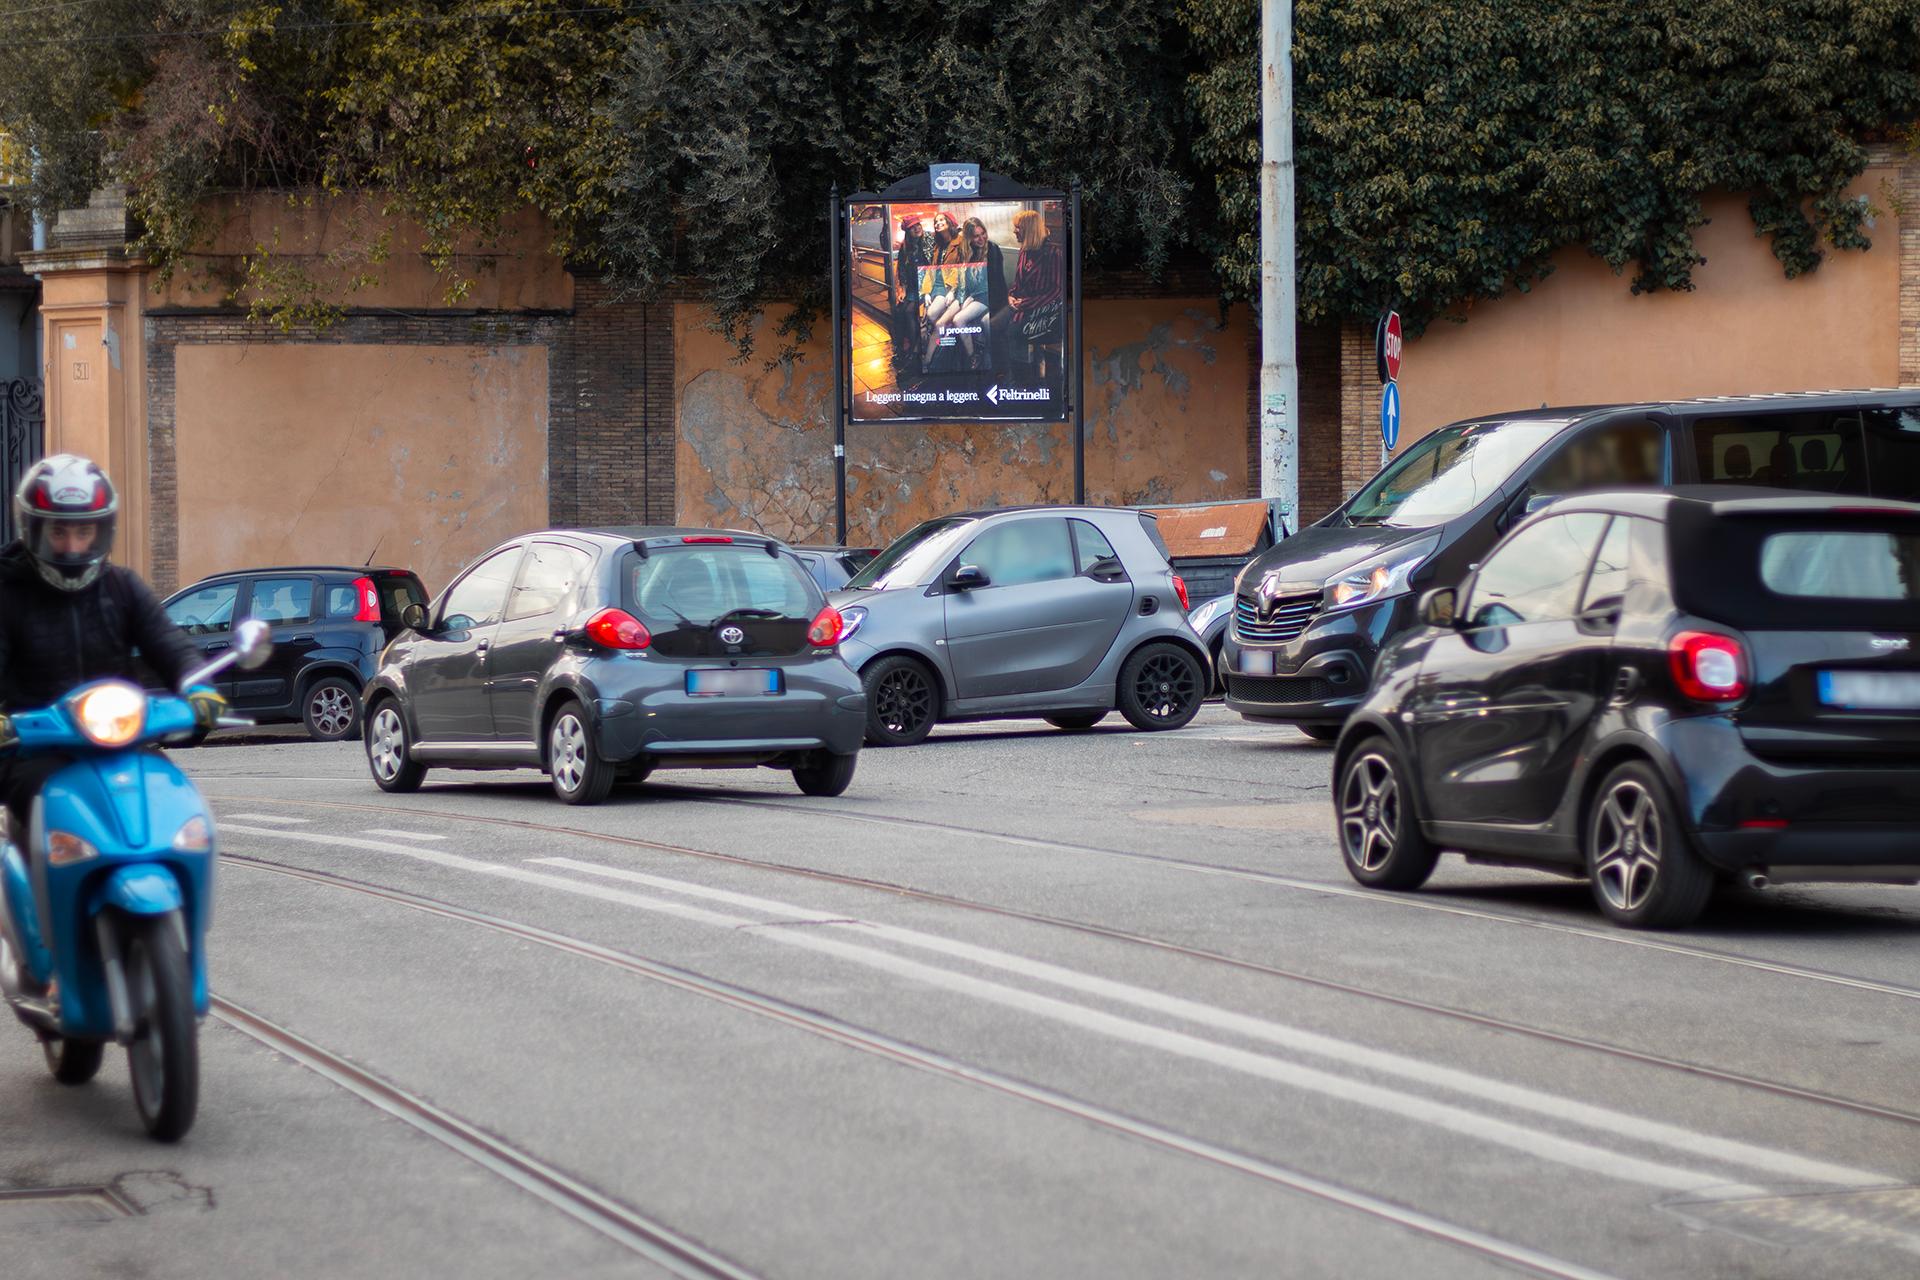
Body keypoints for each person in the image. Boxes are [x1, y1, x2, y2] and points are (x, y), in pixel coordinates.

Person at [0, 455, 225, 854]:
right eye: (58, 533)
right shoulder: (7, 592)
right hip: (34, 748)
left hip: (122, 739)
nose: (72, 546)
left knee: (174, 805)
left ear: (102, 531)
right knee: (43, 809)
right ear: (32, 530)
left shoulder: (121, 586)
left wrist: (197, 687)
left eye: (83, 532)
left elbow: (168, 642)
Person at [1008, 209, 1064, 377]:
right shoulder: (1024, 251)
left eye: (1018, 227)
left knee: (1013, 333)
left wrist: (1024, 304)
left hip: (1044, 312)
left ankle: (1038, 384)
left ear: (1029, 229)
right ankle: (1025, 380)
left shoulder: (1054, 253)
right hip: (1023, 308)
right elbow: (1017, 282)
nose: (1014, 231)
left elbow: (1056, 290)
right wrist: (1011, 295)